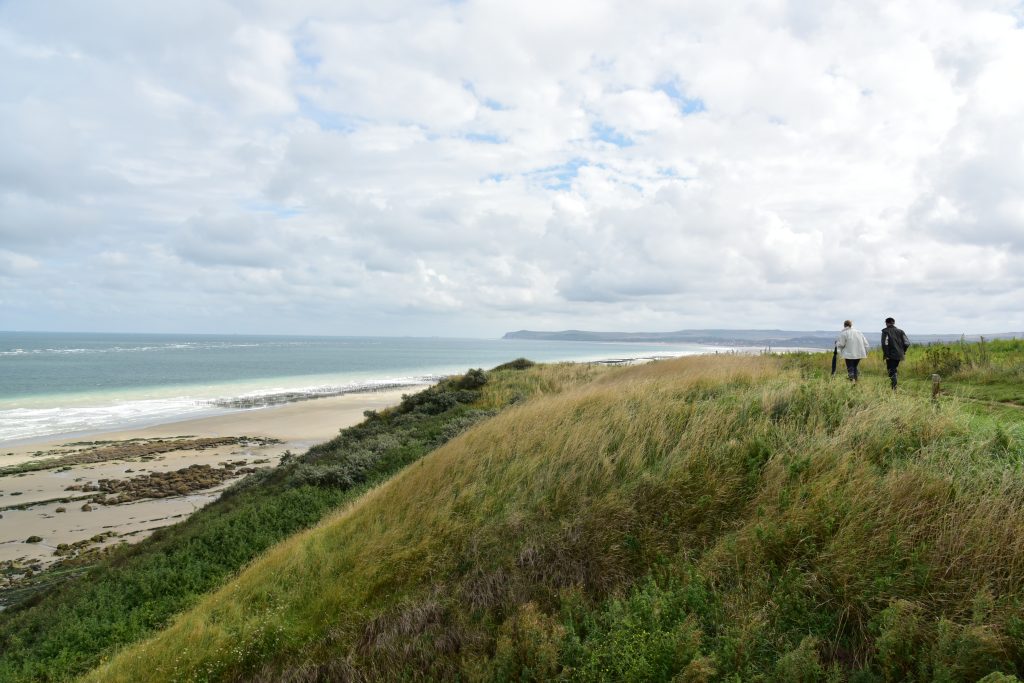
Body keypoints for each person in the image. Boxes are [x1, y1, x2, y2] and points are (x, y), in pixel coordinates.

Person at [881, 317, 911, 390]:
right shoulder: (901, 331)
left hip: (890, 355)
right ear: (893, 322)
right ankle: (894, 386)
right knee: (894, 369)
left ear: (886, 323)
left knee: (891, 370)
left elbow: (885, 344)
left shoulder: (886, 331)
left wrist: (887, 355)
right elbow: (907, 343)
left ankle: (894, 387)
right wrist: (903, 351)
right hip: (899, 355)